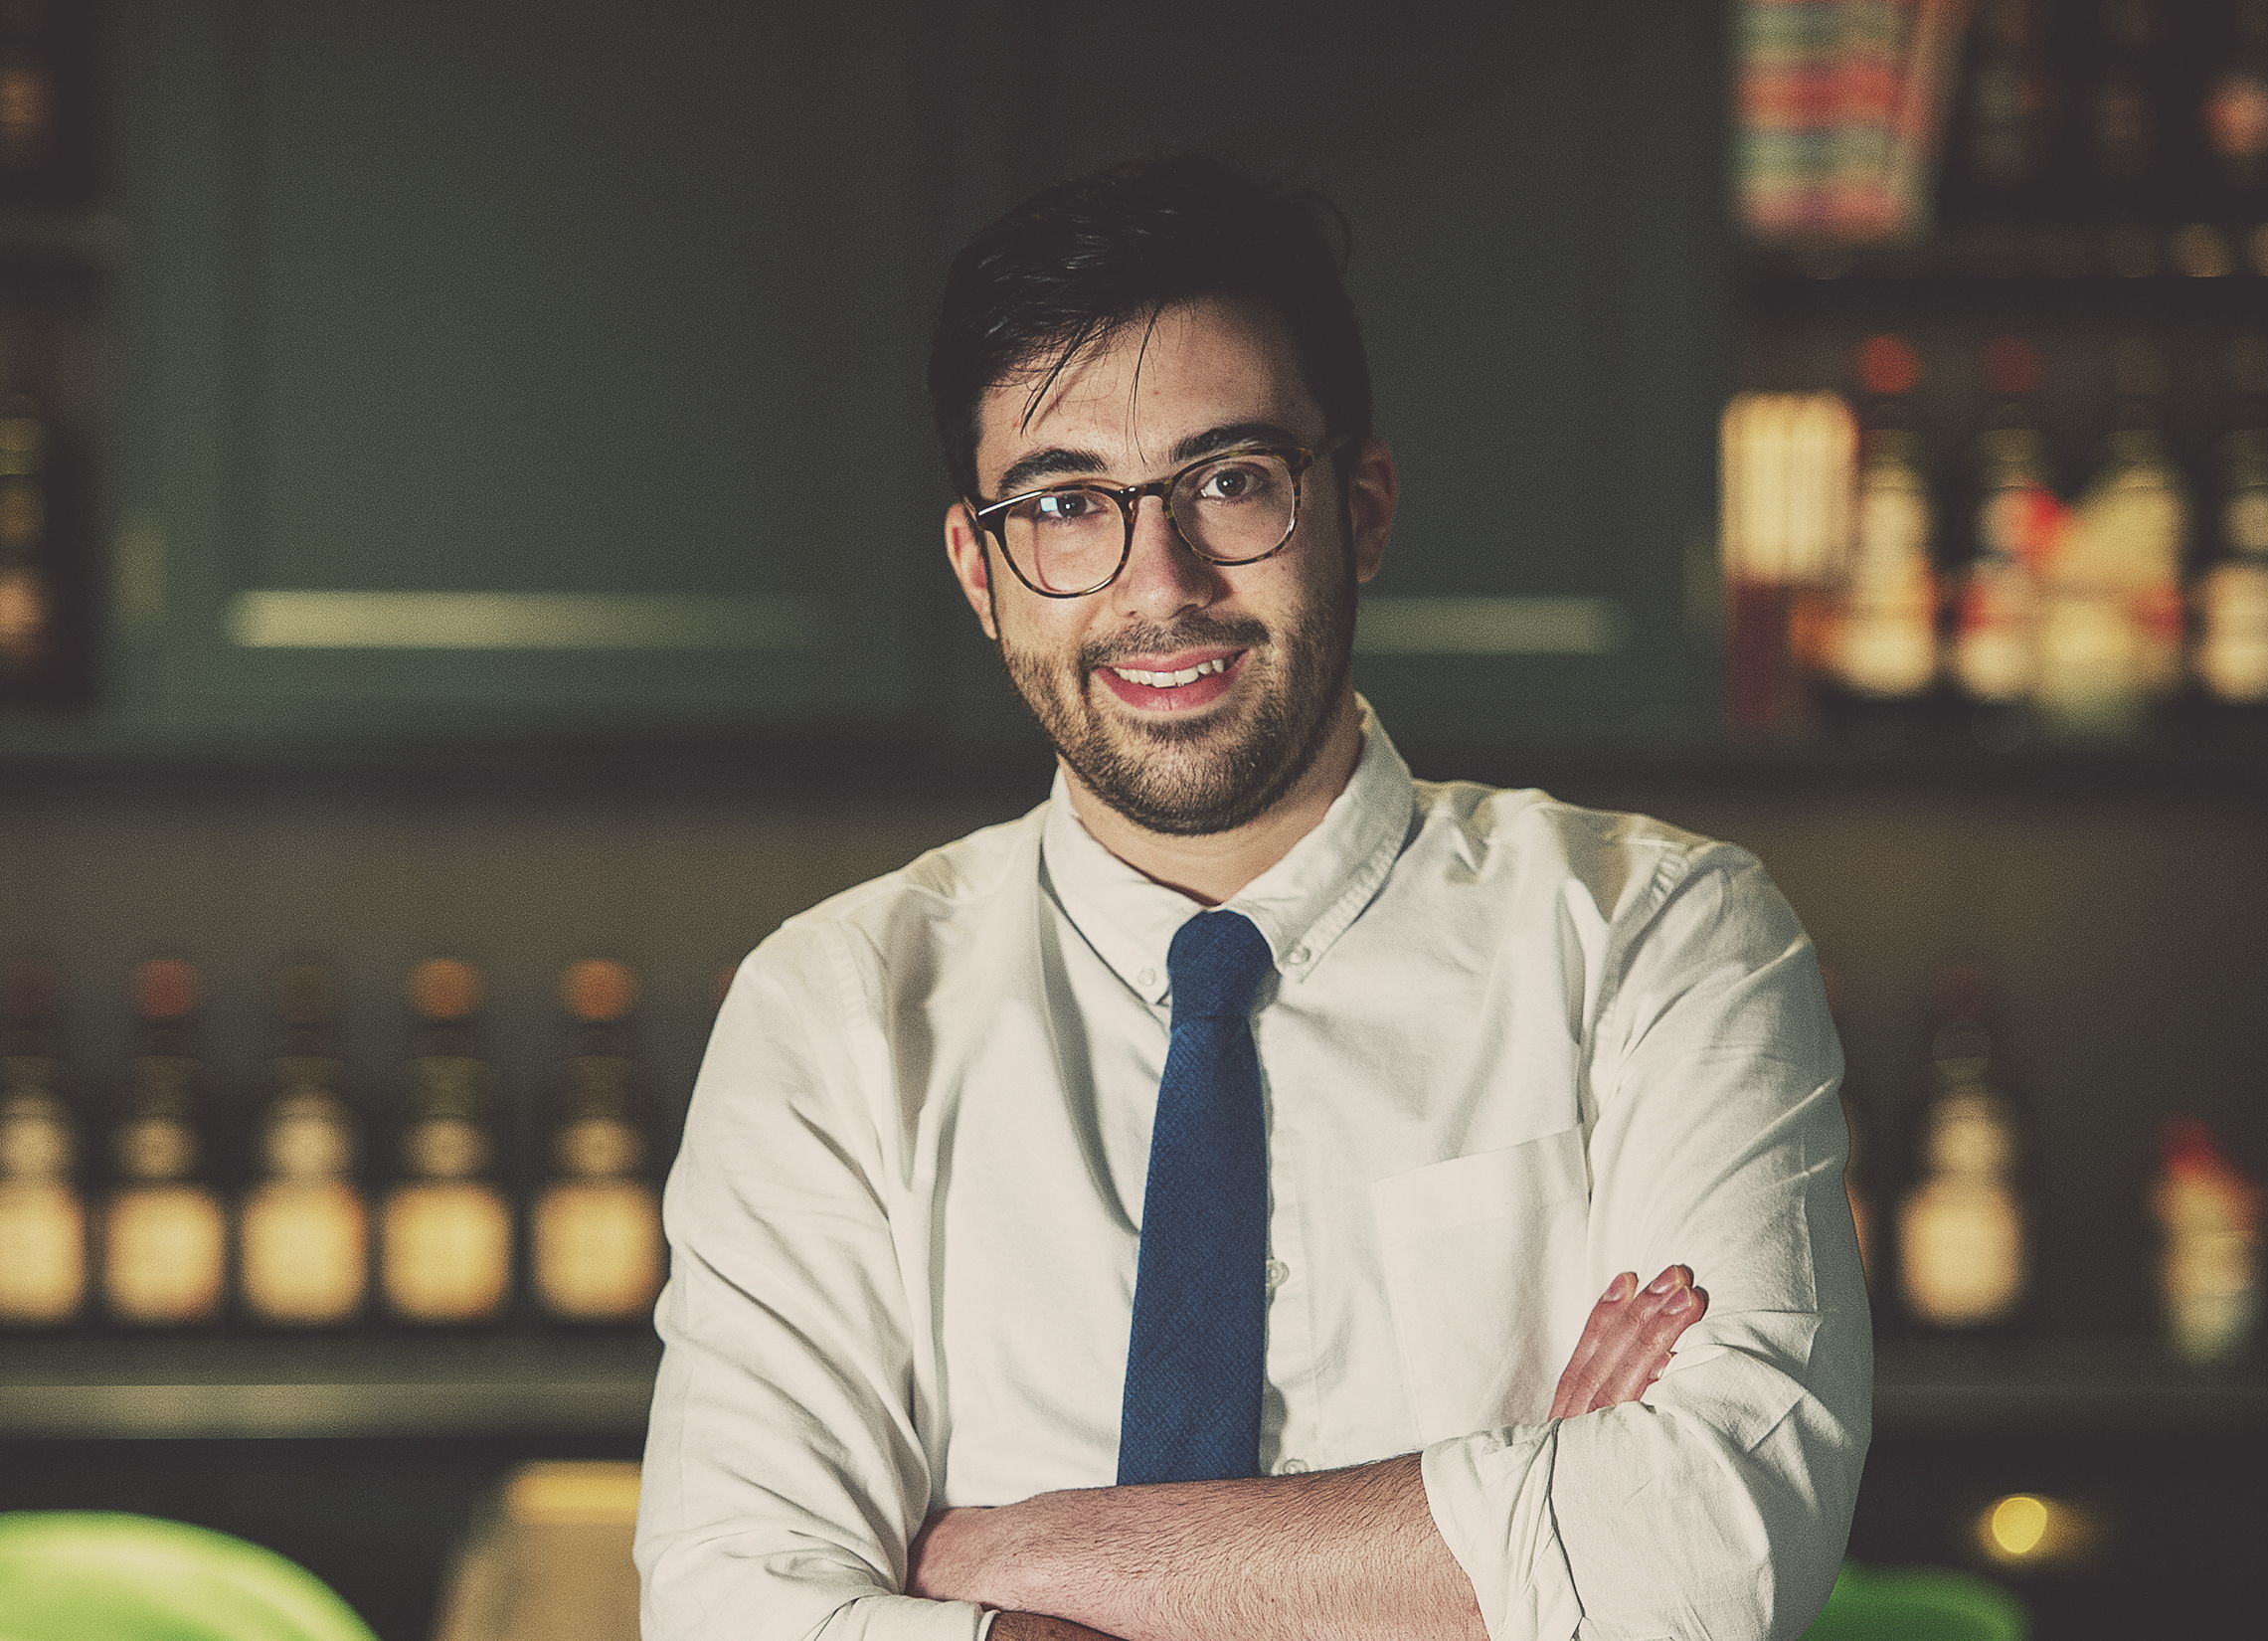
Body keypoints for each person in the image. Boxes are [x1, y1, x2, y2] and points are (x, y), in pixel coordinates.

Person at [633, 153, 1869, 1641]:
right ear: (980, 568)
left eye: (1231, 482)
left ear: (1362, 508)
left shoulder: (1662, 940)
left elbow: (1708, 1554)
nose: (1159, 584)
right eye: (1067, 502)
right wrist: (1509, 1541)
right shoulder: (831, 1012)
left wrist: (1003, 1561)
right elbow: (733, 1613)